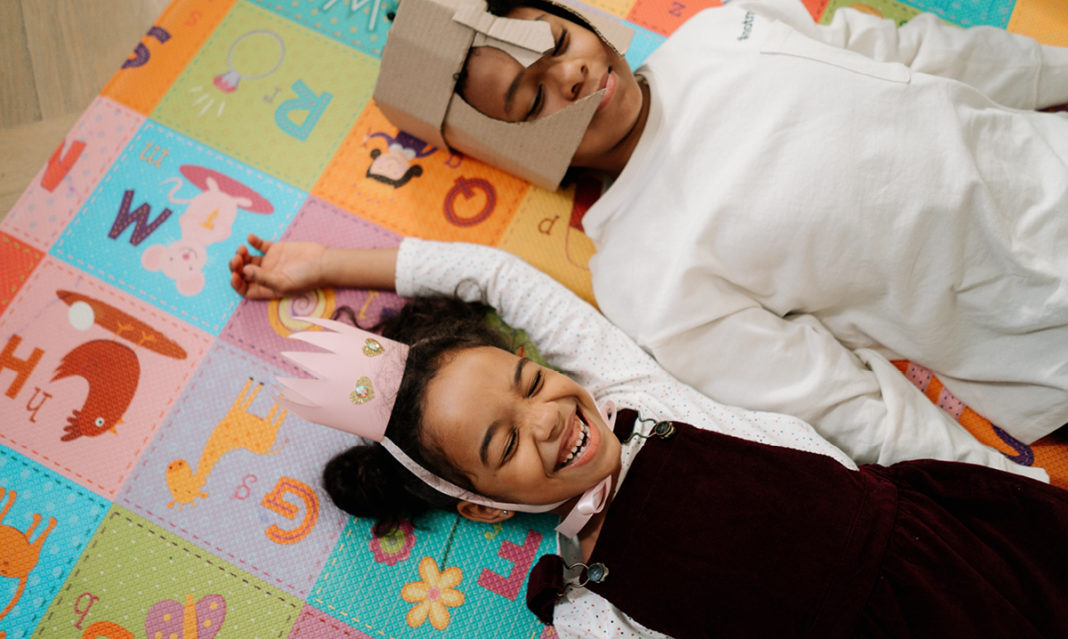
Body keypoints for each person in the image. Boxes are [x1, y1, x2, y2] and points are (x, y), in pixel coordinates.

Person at [230, 234, 1068, 637]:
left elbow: (497, 273)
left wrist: (330, 263)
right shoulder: (590, 603)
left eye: (528, 381)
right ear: (483, 509)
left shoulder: (625, 390)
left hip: (944, 538)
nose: (549, 415)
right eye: (504, 445)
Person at [373, 0, 1068, 479]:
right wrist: (1006, 485)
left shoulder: (722, 29)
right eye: (531, 99)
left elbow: (915, 52)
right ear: (512, 144)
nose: (571, 75)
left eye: (558, 42)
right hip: (1037, 333)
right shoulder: (642, 274)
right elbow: (837, 402)